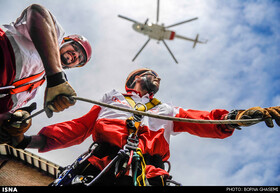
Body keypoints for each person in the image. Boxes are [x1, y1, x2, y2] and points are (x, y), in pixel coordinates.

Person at [7, 68, 280, 186]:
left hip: (149, 173)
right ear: (136, 79)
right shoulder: (111, 100)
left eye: (159, 77)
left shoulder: (166, 111)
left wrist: (241, 115)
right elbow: (75, 129)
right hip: (100, 166)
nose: (157, 78)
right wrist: (23, 141)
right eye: (152, 74)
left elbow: (203, 120)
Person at [0, 4, 92, 144]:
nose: (75, 55)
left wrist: (14, 122)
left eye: (79, 59)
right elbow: (36, 11)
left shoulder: (34, 90)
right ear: (65, 41)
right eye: (75, 47)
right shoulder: (53, 35)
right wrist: (56, 77)